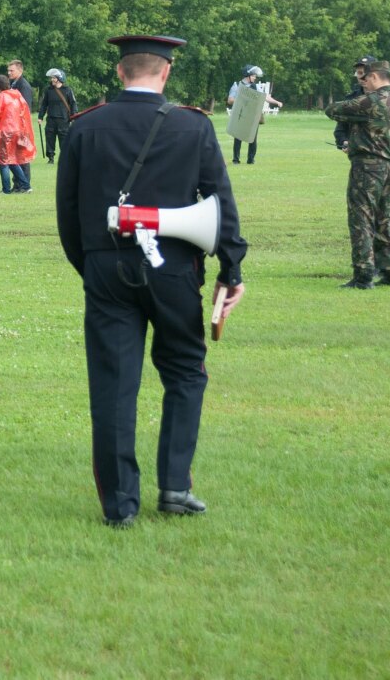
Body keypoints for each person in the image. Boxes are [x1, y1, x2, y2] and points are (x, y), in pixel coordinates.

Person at [56, 34, 246, 527]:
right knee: (185, 370)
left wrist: (92, 265)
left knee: (113, 383)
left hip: (105, 266)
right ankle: (176, 486)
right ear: (166, 72)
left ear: (120, 71)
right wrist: (231, 269)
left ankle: (120, 505)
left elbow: (68, 214)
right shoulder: (192, 125)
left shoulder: (85, 126)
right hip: (176, 269)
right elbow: (220, 202)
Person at [327, 59, 390, 289]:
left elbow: (332, 110)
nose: (363, 82)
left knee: (361, 219)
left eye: (365, 77)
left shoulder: (372, 101)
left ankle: (363, 275)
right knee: (385, 220)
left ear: (374, 76)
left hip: (367, 167)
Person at [0, 74, 37, 194]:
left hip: (6, 132)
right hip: (17, 131)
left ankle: (6, 189)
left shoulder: (2, 96)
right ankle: (26, 185)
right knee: (13, 160)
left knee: (3, 161)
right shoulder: (17, 94)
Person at [226, 66, 283, 165]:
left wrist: (276, 102)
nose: (255, 78)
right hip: (240, 114)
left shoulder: (256, 87)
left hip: (252, 115)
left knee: (252, 138)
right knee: (238, 137)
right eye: (253, 76)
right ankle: (236, 160)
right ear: (247, 75)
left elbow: (265, 97)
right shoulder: (237, 85)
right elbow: (230, 100)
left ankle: (251, 160)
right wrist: (243, 99)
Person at [40, 68, 78, 164]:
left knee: (64, 140)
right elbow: (44, 104)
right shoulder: (48, 90)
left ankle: (65, 158)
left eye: (54, 78)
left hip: (64, 120)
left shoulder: (68, 90)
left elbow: (73, 103)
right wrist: (40, 117)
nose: (52, 79)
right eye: (51, 78)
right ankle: (51, 158)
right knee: (50, 139)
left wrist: (74, 115)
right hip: (51, 119)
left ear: (59, 78)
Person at [332, 56, 370, 152]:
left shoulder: (388, 99)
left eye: (365, 73)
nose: (362, 77)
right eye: (359, 73)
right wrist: (344, 142)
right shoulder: (351, 98)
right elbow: (340, 128)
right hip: (358, 155)